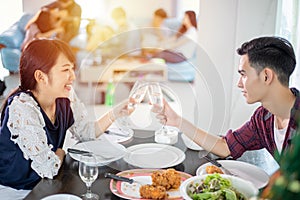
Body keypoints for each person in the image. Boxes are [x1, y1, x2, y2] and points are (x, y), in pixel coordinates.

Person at [0, 38, 133, 197]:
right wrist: (62, 150)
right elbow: (48, 168)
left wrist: (115, 113)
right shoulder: (22, 107)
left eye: (72, 68)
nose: (73, 76)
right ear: (41, 77)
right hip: (18, 190)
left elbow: (86, 132)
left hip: (48, 182)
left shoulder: (64, 96)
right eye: (65, 70)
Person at [154, 36, 300, 160]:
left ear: (266, 76)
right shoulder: (263, 118)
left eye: (243, 75)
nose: (239, 83)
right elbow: (226, 147)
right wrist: (177, 121)